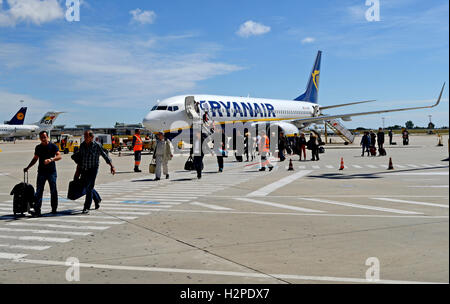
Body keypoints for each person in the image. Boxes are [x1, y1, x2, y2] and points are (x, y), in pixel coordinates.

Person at [74, 130, 116, 214]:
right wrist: (77, 171)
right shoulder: (82, 146)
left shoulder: (97, 145)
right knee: (87, 186)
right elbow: (80, 159)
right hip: (84, 169)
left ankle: (86, 207)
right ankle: (97, 200)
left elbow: (105, 156)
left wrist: (112, 166)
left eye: (87, 137)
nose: (85, 138)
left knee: (89, 187)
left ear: (91, 137)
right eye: (84, 136)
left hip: (93, 169)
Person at [23, 131, 62, 217]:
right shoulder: (38, 147)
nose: (43, 139)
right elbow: (35, 159)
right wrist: (28, 167)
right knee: (39, 191)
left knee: (53, 190)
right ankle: (37, 210)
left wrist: (51, 159)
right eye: (41, 137)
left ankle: (54, 209)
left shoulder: (53, 146)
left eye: (44, 137)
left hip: (52, 172)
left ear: (47, 137)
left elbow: (59, 156)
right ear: (40, 138)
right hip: (41, 172)